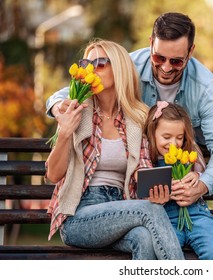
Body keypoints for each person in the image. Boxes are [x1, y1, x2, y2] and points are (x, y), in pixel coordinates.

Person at [46, 12, 213, 210]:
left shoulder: (204, 85)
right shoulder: (128, 66)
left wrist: (202, 185)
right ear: (151, 42)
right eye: (158, 57)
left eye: (176, 61)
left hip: (182, 173)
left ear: (190, 52)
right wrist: (59, 109)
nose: (165, 67)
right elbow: (63, 95)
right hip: (137, 181)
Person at [45, 39, 184, 260]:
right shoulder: (76, 110)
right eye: (87, 64)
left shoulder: (138, 118)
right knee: (150, 211)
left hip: (121, 207)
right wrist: (64, 133)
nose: (91, 69)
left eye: (100, 63)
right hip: (79, 215)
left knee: (144, 238)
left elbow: (143, 170)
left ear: (119, 67)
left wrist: (155, 189)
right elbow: (52, 174)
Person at [143, 101, 213, 260]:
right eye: (166, 137)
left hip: (197, 216)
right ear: (152, 133)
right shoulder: (147, 158)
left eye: (179, 137)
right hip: (166, 219)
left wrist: (196, 176)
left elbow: (202, 173)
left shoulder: (188, 152)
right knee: (165, 255)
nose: (173, 144)